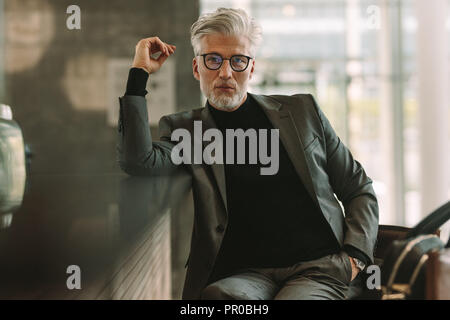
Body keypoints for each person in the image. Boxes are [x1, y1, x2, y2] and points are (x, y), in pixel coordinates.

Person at [117, 7, 379, 300]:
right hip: (245, 276)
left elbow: (358, 188)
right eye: (213, 59)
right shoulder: (186, 130)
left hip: (318, 268)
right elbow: (137, 160)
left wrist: (355, 257)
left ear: (251, 68)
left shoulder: (303, 112)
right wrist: (138, 74)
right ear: (196, 68)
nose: (225, 72)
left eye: (238, 60)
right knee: (217, 298)